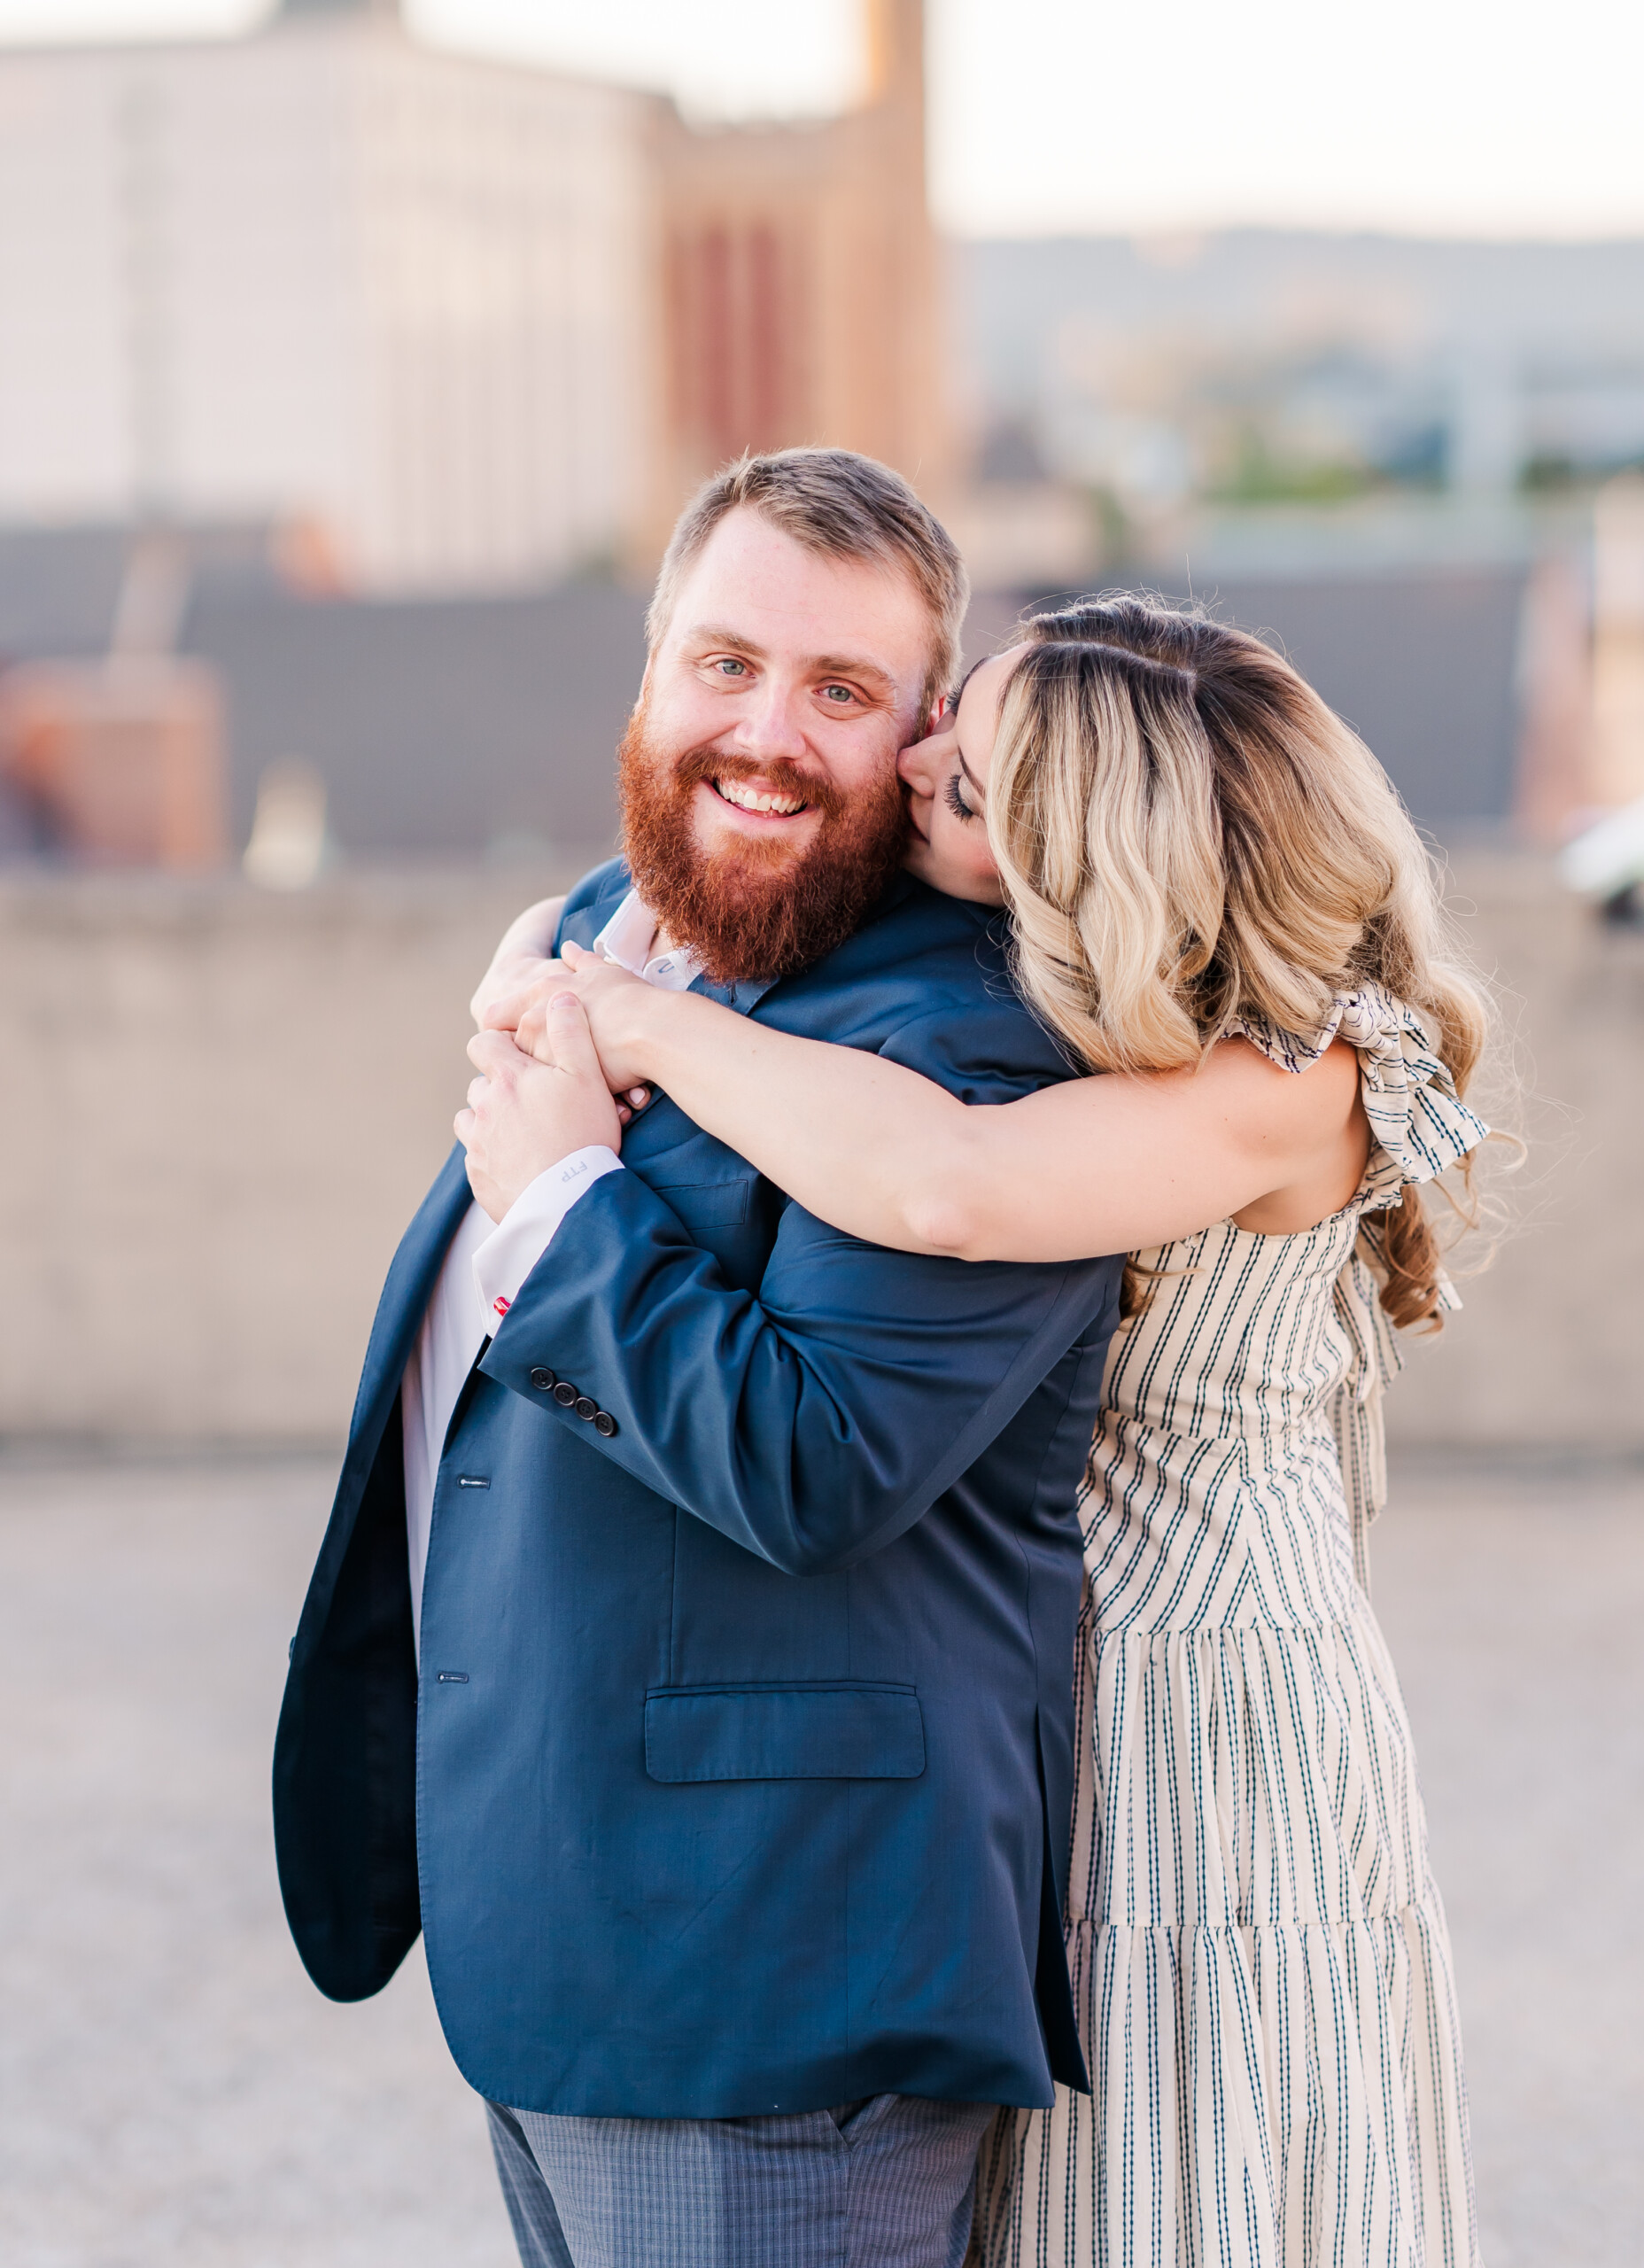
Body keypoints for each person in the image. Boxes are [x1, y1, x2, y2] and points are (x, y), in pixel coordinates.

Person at [481, 594, 1493, 2268]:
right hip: (1020, 1676)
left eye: (963, 788)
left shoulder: (1289, 1073)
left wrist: (638, 1026)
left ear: (1091, 862)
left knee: (1172, 2195)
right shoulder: (1104, 1012)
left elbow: (945, 1180)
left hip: (1191, 1714)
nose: (919, 762)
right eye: (959, 718)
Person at [272, 449, 1130, 2268]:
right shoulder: (601, 927)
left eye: (839, 688)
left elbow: (811, 1464)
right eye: (726, 662)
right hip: (567, 1931)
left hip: (769, 1985)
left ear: (919, 739)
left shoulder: (977, 1038)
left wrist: (567, 1197)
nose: (766, 734)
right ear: (652, 668)